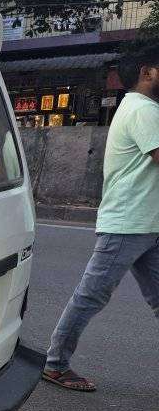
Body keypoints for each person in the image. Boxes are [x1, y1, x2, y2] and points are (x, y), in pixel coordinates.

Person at [42, 43, 159, 391]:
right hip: (128, 222)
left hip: (147, 224)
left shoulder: (143, 108)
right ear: (147, 72)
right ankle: (55, 364)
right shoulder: (142, 109)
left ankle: (56, 363)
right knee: (91, 295)